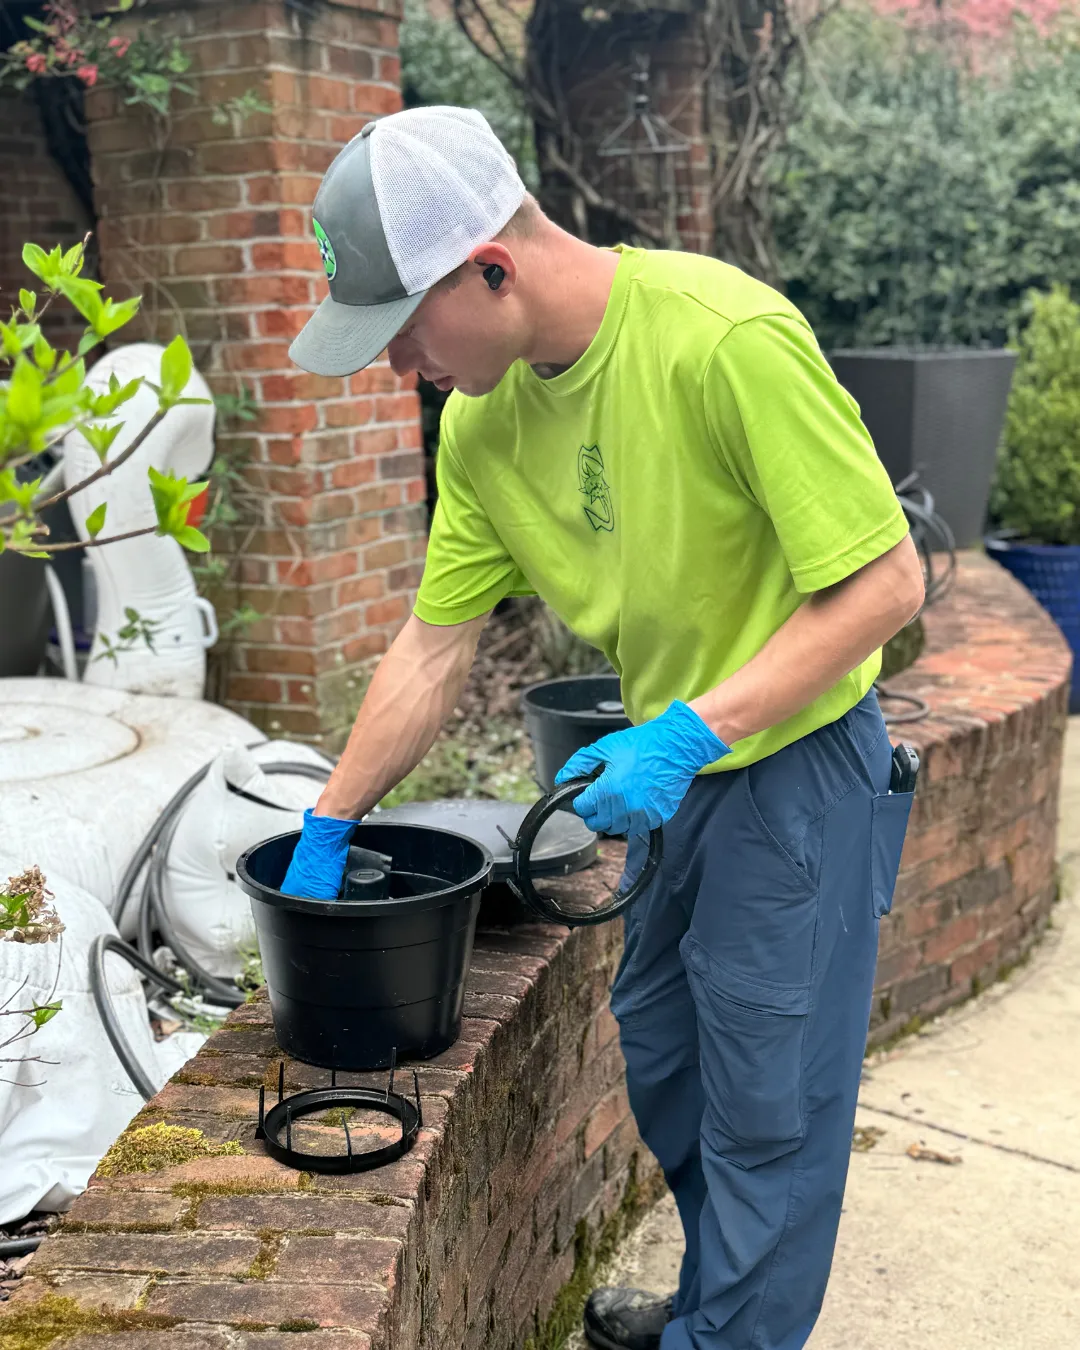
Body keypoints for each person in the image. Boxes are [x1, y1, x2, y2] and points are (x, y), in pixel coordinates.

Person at [282, 105, 925, 1350]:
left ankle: (729, 1337)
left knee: (769, 1114)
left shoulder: (722, 339)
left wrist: (690, 729)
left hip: (793, 773)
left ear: (491, 266)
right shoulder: (483, 424)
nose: (398, 362)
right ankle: (716, 1305)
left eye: (404, 325)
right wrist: (329, 819)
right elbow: (432, 645)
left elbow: (886, 584)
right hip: (674, 784)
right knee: (669, 1058)